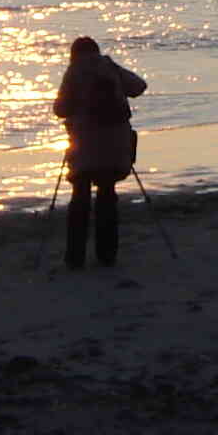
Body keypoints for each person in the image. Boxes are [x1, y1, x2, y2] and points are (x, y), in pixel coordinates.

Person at [52, 35, 147, 267]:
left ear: (74, 54)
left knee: (80, 197)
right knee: (107, 195)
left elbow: (60, 109)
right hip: (115, 146)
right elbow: (139, 86)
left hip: (83, 145)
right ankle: (107, 255)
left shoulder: (74, 71)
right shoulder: (109, 66)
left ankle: (75, 258)